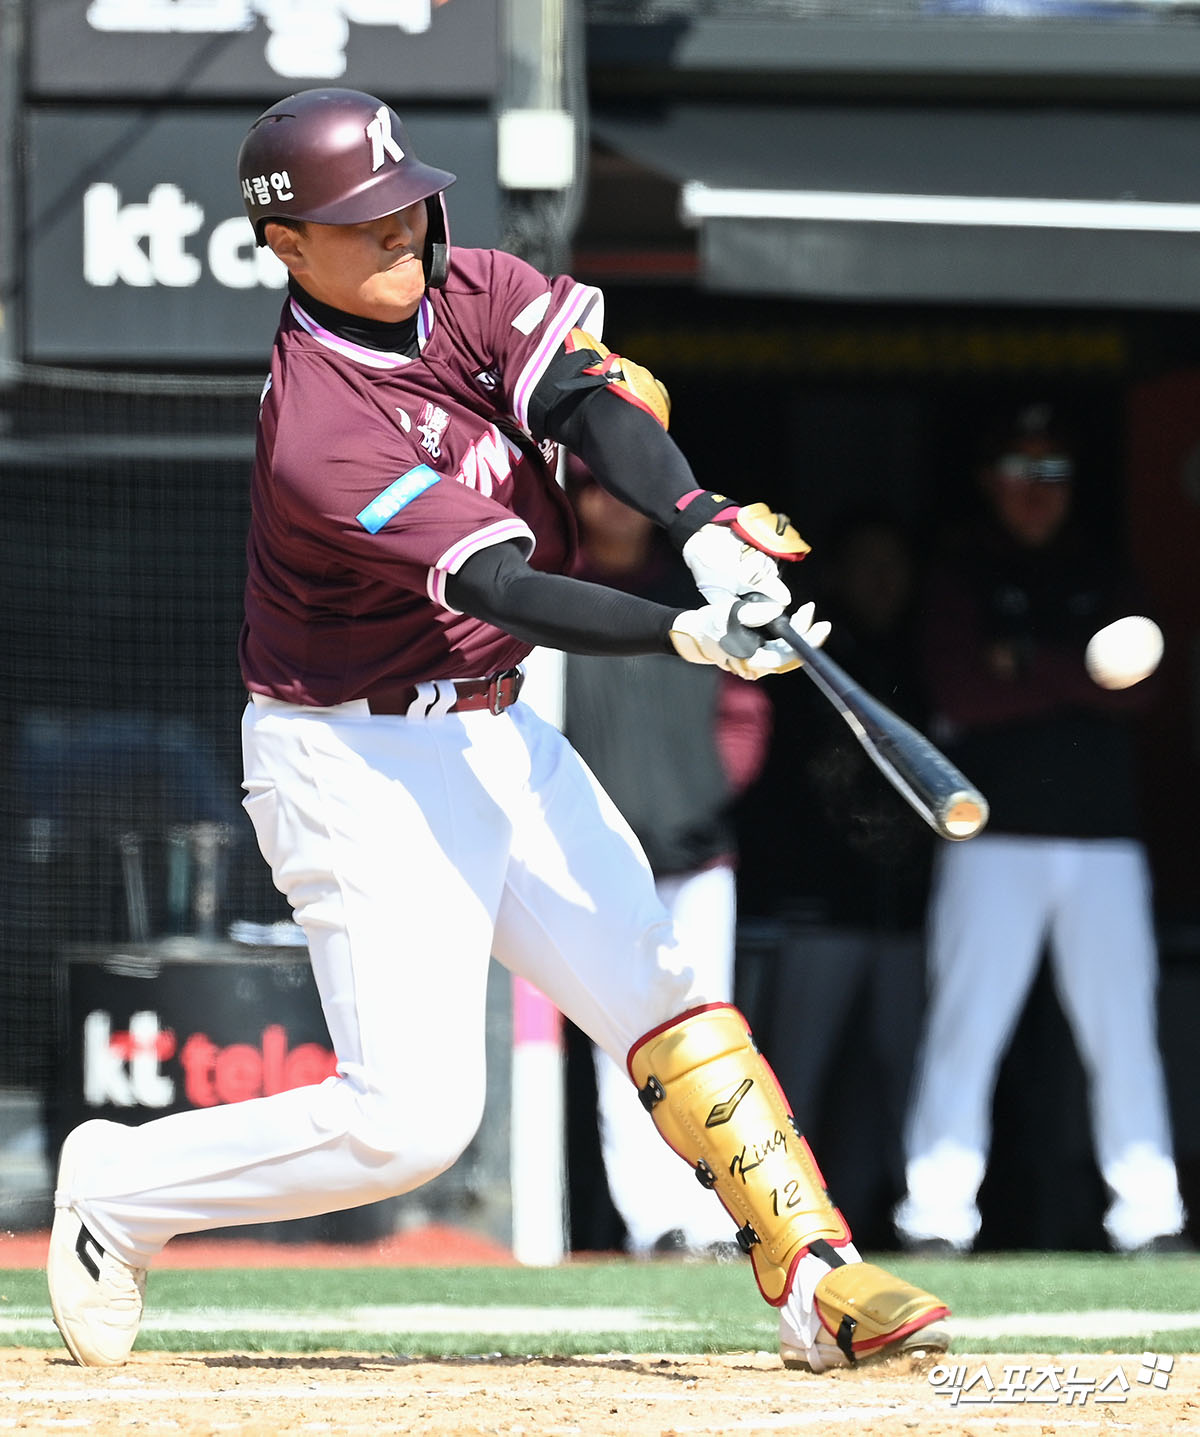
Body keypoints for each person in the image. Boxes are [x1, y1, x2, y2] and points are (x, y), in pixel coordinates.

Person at [46, 87, 950, 1373]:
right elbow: (502, 587)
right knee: (410, 1126)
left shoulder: (472, 284)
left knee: (662, 989)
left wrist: (700, 524)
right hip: (352, 757)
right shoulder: (320, 432)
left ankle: (819, 1280)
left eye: (407, 203)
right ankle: (119, 1191)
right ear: (286, 245)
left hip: (496, 726)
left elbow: (589, 403)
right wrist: (684, 630)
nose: (401, 232)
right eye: (361, 221)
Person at [893, 402, 1189, 1256]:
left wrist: (1024, 663)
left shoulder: (1106, 571)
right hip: (993, 840)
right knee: (966, 1027)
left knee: (1124, 1032)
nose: (1037, 489)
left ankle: (1149, 1214)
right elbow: (960, 689)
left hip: (1104, 843)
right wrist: (1077, 676)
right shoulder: (962, 572)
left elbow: (1143, 688)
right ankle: (935, 1215)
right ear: (990, 479)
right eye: (1022, 470)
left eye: (1053, 471)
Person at [563, 465, 772, 1259]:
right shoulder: (552, 593)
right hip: (596, 858)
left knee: (709, 1033)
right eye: (595, 486)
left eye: (627, 487)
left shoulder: (696, 593)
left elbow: (746, 710)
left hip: (697, 853)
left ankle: (721, 1217)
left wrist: (703, 792)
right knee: (625, 1038)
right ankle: (655, 1221)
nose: (614, 502)